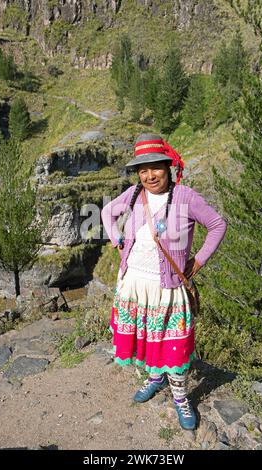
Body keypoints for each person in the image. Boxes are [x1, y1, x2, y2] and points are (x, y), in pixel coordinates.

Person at [101, 133, 227, 430]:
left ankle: (181, 397)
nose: (149, 175)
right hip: (133, 284)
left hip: (166, 288)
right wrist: (117, 238)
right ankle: (156, 377)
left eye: (155, 167)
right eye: (143, 170)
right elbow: (107, 212)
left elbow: (217, 224)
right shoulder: (133, 195)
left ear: (168, 167)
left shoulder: (185, 197)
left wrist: (198, 261)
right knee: (147, 341)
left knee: (174, 345)